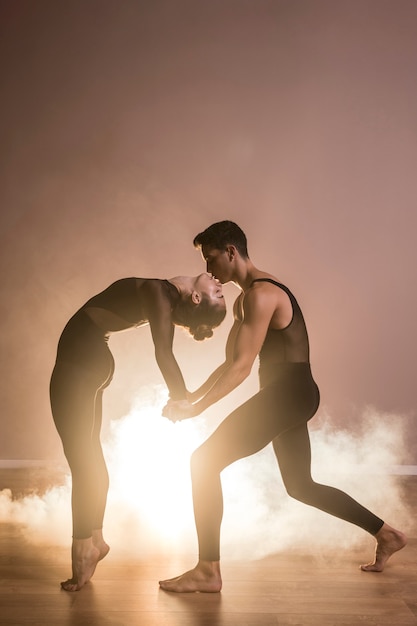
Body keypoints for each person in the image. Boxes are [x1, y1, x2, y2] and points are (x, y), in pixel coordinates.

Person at [159, 220, 406, 593]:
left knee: (203, 462)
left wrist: (196, 411)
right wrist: (189, 396)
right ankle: (387, 534)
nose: (209, 271)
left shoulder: (262, 295)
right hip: (290, 394)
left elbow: (242, 369)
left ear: (231, 252)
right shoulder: (247, 298)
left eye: (211, 259)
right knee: (301, 485)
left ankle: (208, 571)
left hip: (288, 394)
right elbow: (230, 363)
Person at [50, 274, 226, 591]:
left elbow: (164, 352)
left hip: (81, 361)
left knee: (80, 458)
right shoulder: (163, 296)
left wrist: (181, 399)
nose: (219, 284)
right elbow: (164, 350)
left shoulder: (160, 292)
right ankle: (97, 539)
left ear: (198, 298)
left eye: (217, 292)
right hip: (91, 359)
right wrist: (183, 398)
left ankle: (82, 547)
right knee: (88, 452)